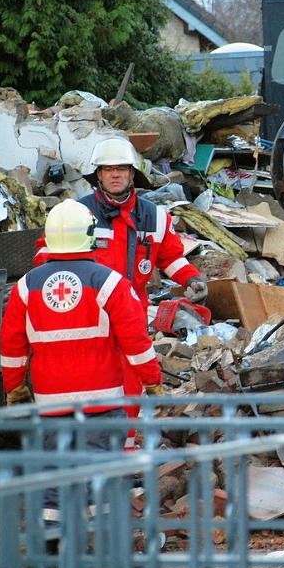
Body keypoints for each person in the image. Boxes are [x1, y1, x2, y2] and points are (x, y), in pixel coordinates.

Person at [0, 199, 164, 533]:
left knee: (53, 477)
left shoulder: (26, 287)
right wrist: (153, 381)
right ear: (90, 236)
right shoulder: (110, 281)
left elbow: (11, 345)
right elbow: (136, 341)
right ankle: (105, 551)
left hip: (50, 403)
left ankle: (50, 554)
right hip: (102, 400)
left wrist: (14, 387)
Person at [34, 137, 207, 422]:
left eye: (122, 169)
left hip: (130, 317)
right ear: (99, 175)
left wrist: (191, 279)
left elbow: (171, 258)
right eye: (107, 169)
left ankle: (121, 450)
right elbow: (45, 255)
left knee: (128, 388)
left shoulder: (155, 218)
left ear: (132, 174)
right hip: (87, 319)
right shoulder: (77, 214)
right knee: (86, 387)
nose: (115, 174)